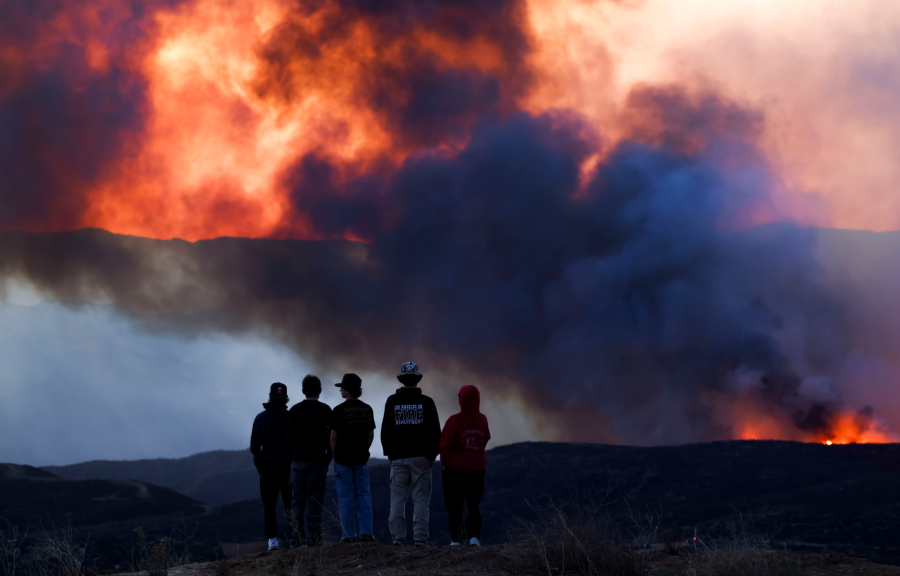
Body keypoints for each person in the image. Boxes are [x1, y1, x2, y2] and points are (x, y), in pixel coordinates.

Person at [381, 362, 441, 546]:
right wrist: (432, 455)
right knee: (421, 500)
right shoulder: (427, 402)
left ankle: (397, 538)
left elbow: (385, 431)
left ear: (402, 379)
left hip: (399, 458)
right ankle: (420, 540)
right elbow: (436, 433)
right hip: (422, 458)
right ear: (417, 379)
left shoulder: (392, 401)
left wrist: (390, 454)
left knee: (397, 500)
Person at [440, 385, 491, 546]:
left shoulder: (454, 420)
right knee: (473, 504)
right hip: (476, 471)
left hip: (454, 471)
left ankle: (457, 538)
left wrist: (445, 463)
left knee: (454, 505)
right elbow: (485, 438)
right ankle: (474, 536)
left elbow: (445, 444)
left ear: (462, 399)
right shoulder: (483, 419)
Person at [285, 375, 332, 547]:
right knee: (315, 502)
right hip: (318, 462)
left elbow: (288, 440)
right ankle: (315, 540)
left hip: (297, 462)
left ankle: (297, 540)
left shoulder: (295, 410)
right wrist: (328, 459)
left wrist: (291, 461)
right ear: (320, 390)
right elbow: (331, 439)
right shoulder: (326, 410)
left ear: (303, 390)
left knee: (297, 502)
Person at [331, 373, 377, 543]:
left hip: (343, 460)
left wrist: (335, 455)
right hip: (361, 459)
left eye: (342, 387)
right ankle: (367, 533)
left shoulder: (338, 410)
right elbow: (370, 434)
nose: (340, 390)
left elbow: (333, 437)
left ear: (348, 391)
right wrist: (364, 450)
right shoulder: (367, 409)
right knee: (364, 496)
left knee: (346, 498)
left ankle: (348, 535)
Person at [250, 383, 293, 551]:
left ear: (270, 396)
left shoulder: (260, 418)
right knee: (291, 504)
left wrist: (260, 466)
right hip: (288, 467)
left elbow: (254, 448)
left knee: (269, 505)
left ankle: (272, 541)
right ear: (285, 398)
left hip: (268, 467)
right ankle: (296, 537)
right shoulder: (291, 417)